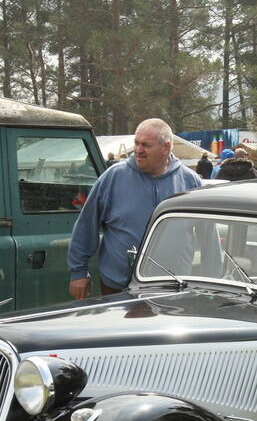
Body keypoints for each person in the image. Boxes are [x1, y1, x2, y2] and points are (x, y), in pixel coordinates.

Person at [67, 118, 201, 299]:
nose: (138, 150)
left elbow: (207, 234)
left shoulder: (190, 181)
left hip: (173, 288)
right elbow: (85, 226)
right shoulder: (113, 177)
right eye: (136, 143)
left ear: (166, 147)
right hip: (118, 286)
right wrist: (78, 272)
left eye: (146, 145)